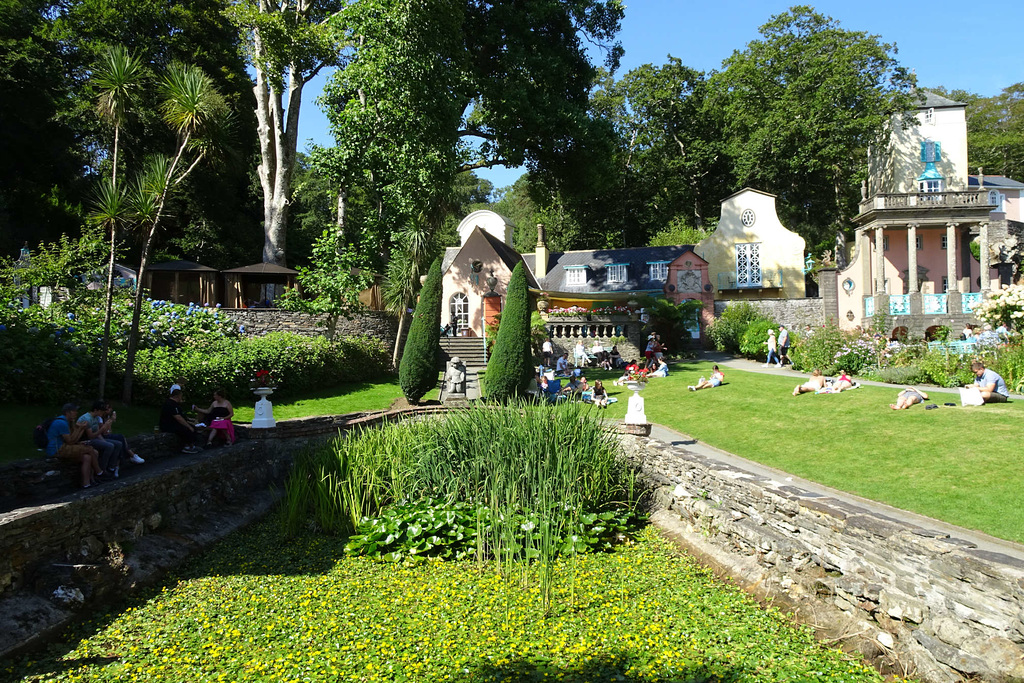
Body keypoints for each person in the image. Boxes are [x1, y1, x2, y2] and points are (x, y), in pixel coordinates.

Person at [47, 403, 102, 488]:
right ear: (67, 412)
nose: (76, 413)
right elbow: (70, 441)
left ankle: (87, 483)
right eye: (74, 411)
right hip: (57, 449)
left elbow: (74, 439)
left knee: (87, 457)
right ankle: (99, 471)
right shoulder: (61, 423)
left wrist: (81, 429)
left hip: (65, 446)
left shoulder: (69, 422)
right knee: (90, 449)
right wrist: (80, 428)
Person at [76, 400, 123, 477]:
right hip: (86, 440)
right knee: (109, 446)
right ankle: (102, 470)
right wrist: (102, 429)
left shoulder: (96, 418)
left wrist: (104, 441)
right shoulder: (87, 418)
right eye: (101, 411)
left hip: (94, 438)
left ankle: (111, 467)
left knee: (118, 444)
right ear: (96, 410)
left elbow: (99, 433)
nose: (103, 413)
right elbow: (91, 436)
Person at [161, 389, 202, 453]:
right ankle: (187, 446)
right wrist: (188, 426)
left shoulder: (174, 404)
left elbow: (181, 415)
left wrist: (189, 420)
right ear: (177, 396)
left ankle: (191, 445)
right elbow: (178, 417)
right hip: (169, 425)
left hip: (173, 423)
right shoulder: (170, 404)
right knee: (186, 429)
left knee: (193, 427)